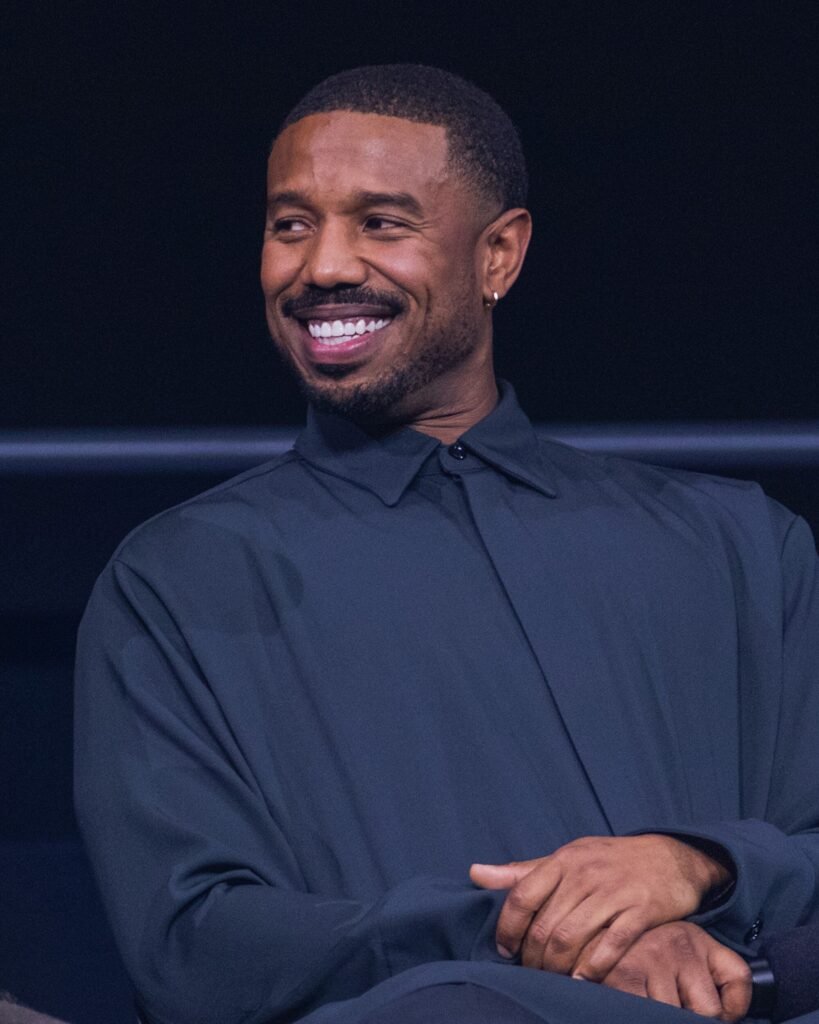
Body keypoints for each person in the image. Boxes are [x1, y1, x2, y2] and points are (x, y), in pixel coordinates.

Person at [74, 65, 819, 1024]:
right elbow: (194, 948)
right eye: (289, 225)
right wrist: (529, 934)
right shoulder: (175, 581)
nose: (324, 267)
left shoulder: (740, 547)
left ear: (498, 256)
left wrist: (698, 867)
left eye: (381, 223)